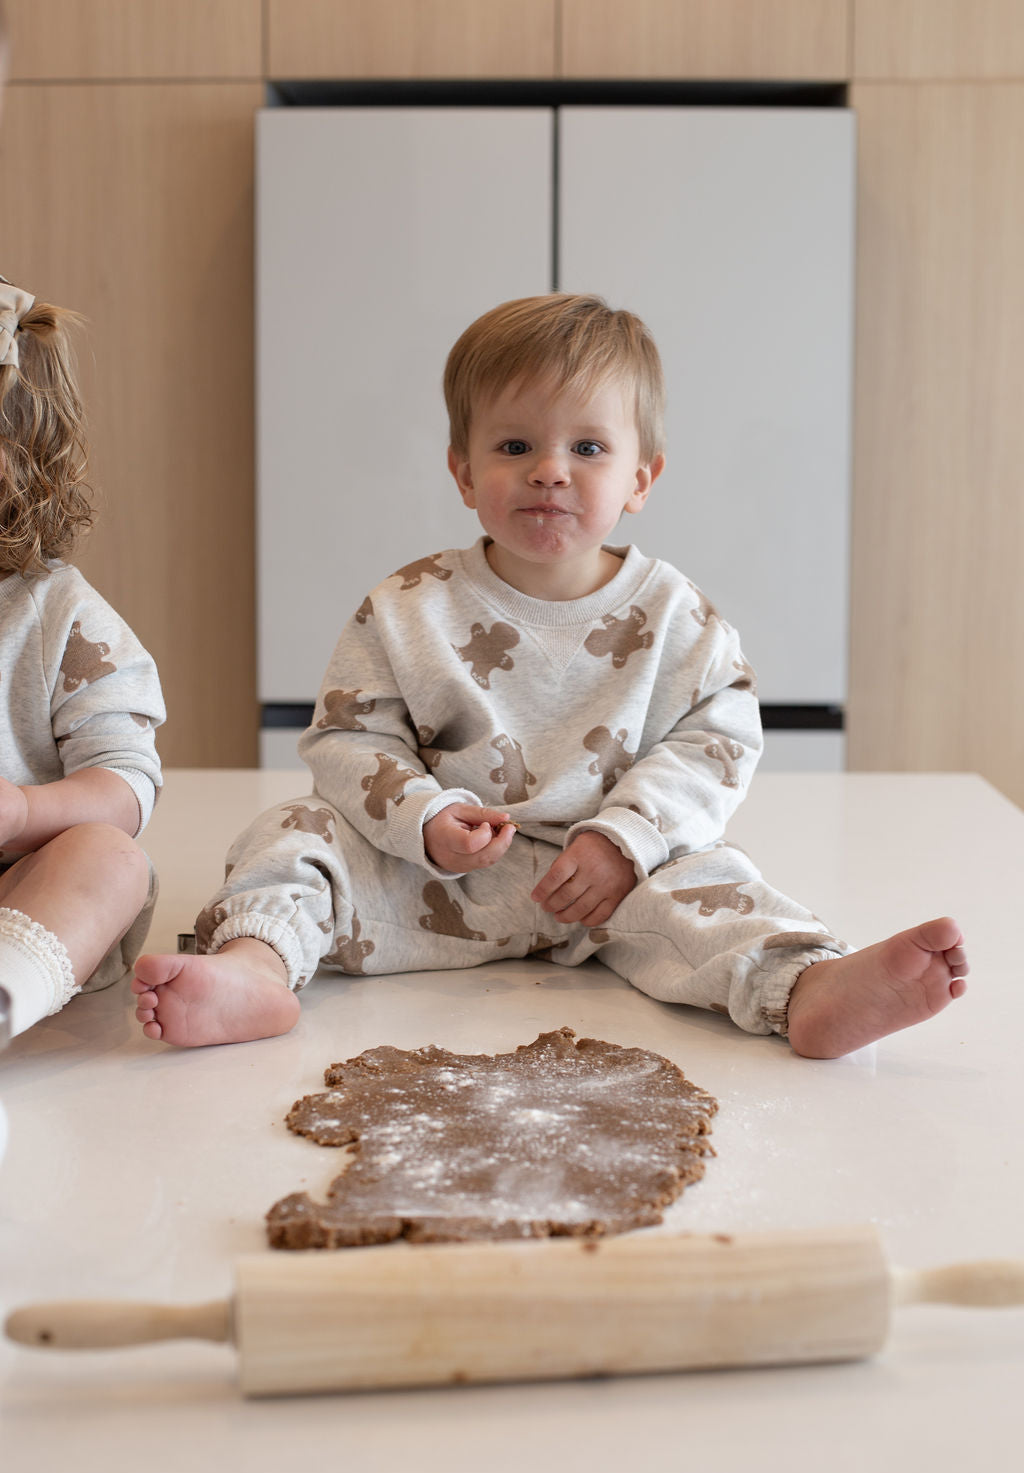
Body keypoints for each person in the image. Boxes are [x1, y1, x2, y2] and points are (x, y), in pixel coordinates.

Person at [132, 293, 967, 1058]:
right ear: (464, 470)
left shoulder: (679, 616)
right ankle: (256, 968)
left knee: (719, 886)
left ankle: (808, 988)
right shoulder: (408, 606)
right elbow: (350, 737)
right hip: (438, 885)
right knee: (291, 833)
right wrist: (426, 819)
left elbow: (716, 740)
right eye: (516, 445)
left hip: (615, 886)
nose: (550, 469)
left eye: (589, 447)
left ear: (642, 478)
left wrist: (626, 839)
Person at [0, 278, 164, 1044]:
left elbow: (126, 784)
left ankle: (6, 994)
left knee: (109, 859)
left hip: (20, 895)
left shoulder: (59, 616)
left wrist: (27, 813)